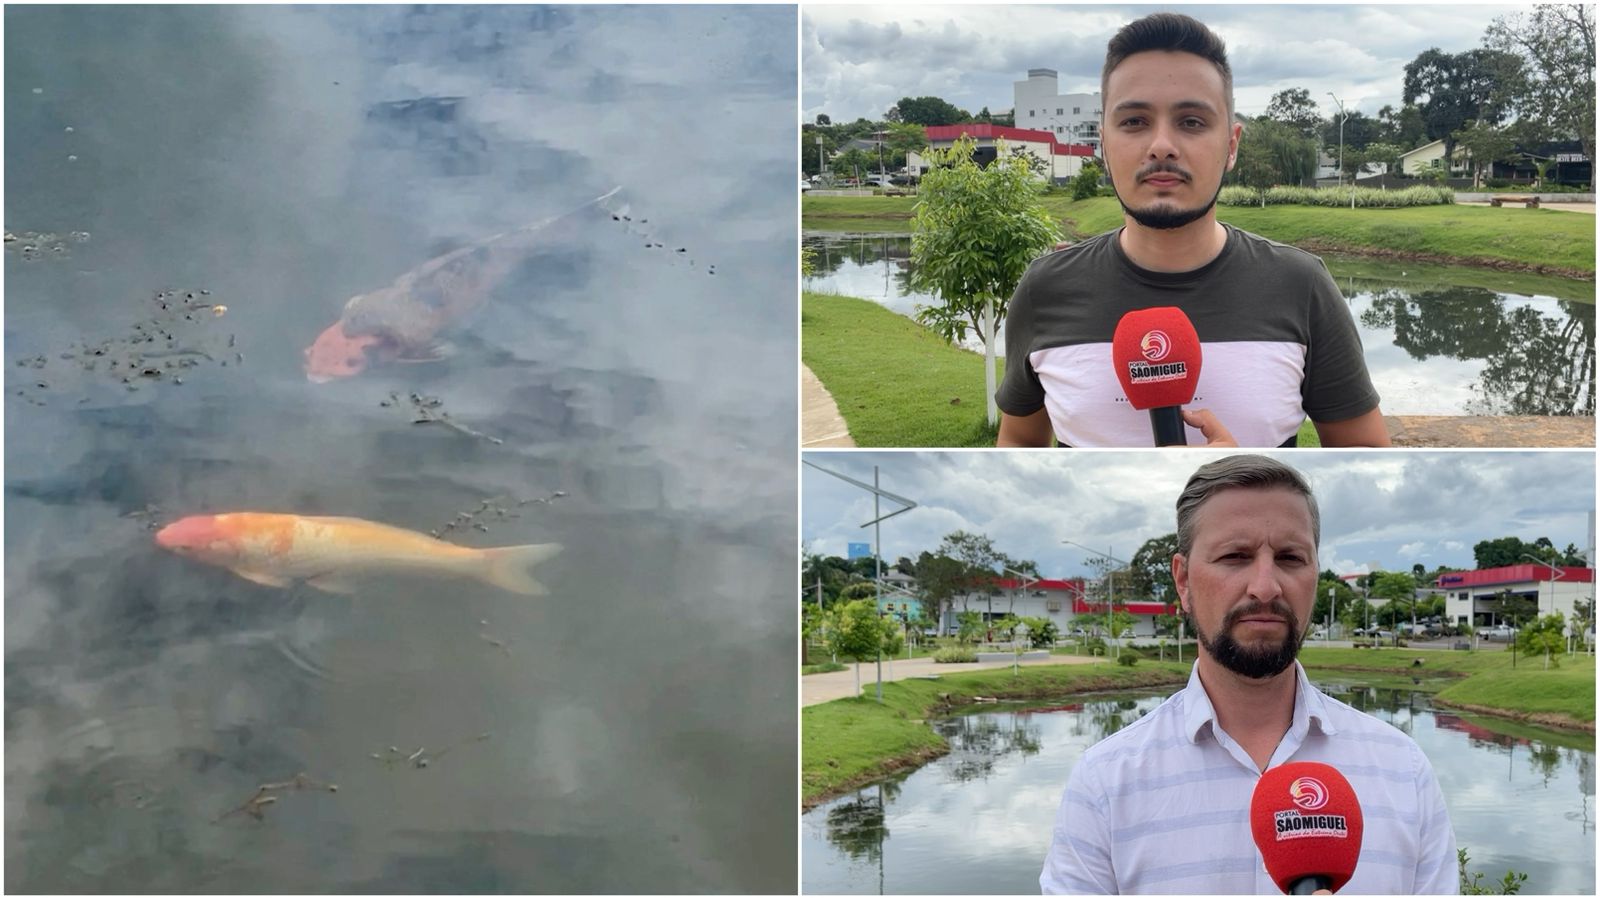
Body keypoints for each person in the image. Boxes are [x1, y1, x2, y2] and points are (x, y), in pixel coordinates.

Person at [1039, 455, 1457, 894]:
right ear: (1182, 581)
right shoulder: (1105, 781)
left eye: (1291, 558)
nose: (1265, 586)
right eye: (1235, 556)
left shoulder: (1403, 769)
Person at [996, 13, 1391, 448]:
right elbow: (1018, 442)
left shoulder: (1302, 286)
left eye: (1191, 122)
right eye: (1133, 122)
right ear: (1103, 146)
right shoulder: (1044, 288)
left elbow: (1364, 451)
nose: (1161, 145)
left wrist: (1238, 473)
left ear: (1231, 145)